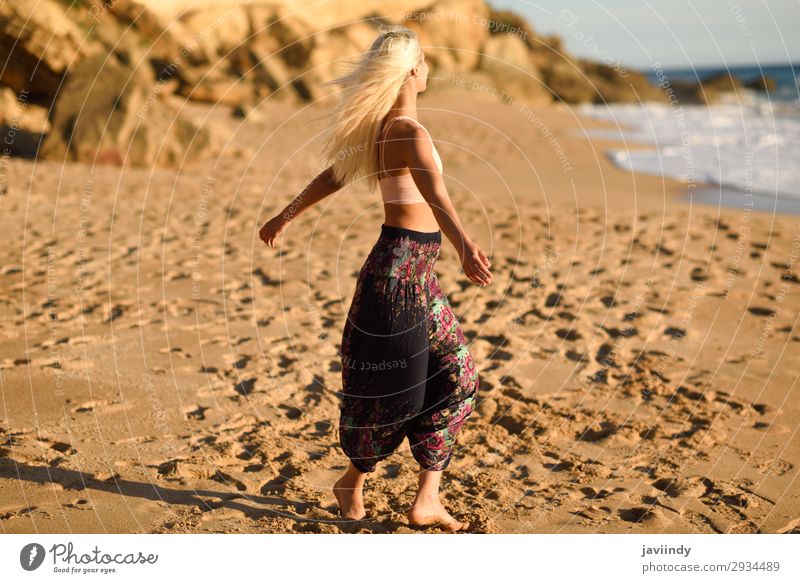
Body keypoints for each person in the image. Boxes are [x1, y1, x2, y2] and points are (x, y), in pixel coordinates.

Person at [258, 25, 492, 532]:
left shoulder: (387, 127)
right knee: (399, 394)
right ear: (412, 69)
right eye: (424, 60)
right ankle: (352, 480)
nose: (428, 68)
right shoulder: (405, 130)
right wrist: (465, 245)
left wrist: (285, 215)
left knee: (458, 378)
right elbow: (436, 198)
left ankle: (427, 499)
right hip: (396, 273)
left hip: (416, 275)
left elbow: (331, 177)